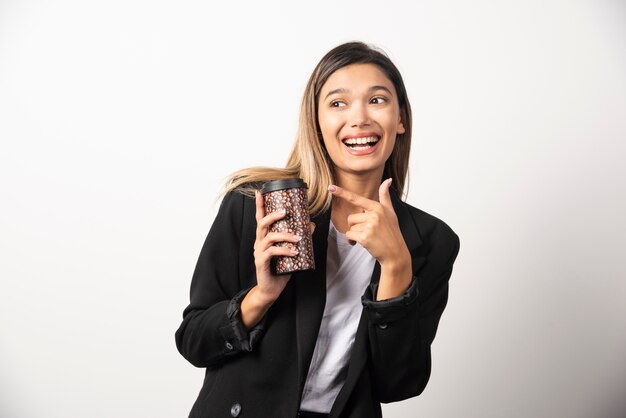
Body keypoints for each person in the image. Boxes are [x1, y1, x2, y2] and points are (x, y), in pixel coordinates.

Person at [175, 41, 460, 418]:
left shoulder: (431, 240)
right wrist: (261, 296)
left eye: (377, 100)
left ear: (401, 118)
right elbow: (194, 341)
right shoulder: (256, 205)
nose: (359, 119)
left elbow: (398, 384)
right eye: (338, 103)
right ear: (316, 121)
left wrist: (396, 267)